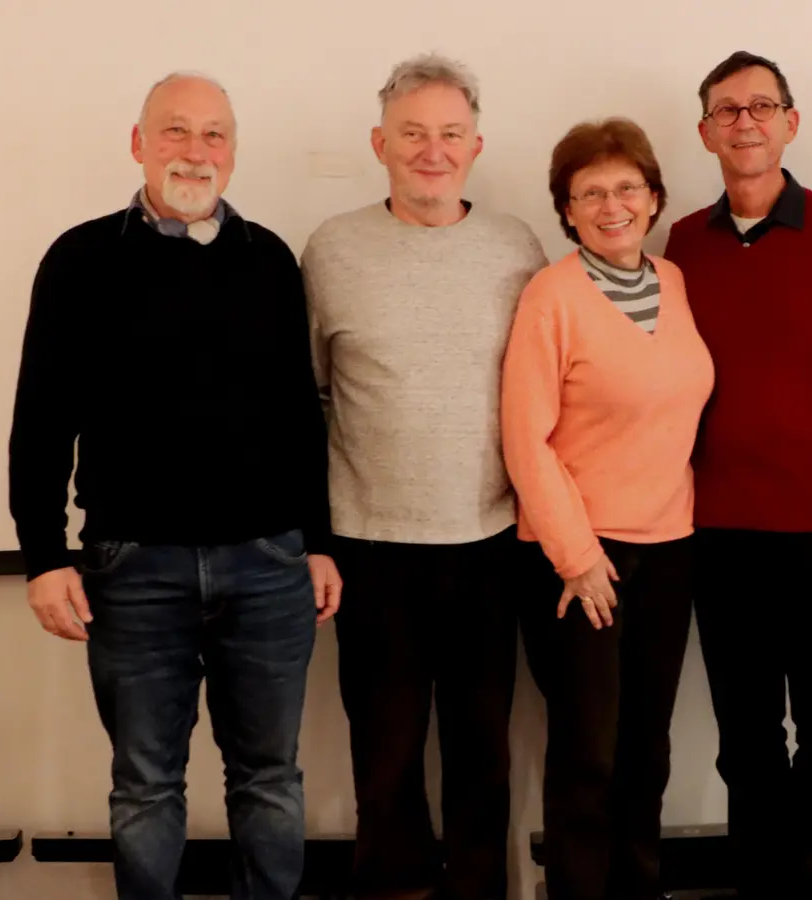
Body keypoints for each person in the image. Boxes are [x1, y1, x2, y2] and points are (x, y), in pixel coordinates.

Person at [8, 72, 339, 900]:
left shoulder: (269, 259)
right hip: (133, 569)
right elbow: (41, 417)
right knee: (146, 784)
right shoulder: (81, 259)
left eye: (214, 134)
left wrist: (320, 541)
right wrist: (43, 557)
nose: (196, 150)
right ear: (139, 143)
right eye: (176, 131)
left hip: (268, 564)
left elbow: (300, 415)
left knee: (269, 775)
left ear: (234, 151)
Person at [300, 53, 547, 900]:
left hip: (491, 544)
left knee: (483, 755)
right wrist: (314, 538)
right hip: (371, 548)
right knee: (386, 759)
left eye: (449, 134)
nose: (431, 151)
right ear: (381, 144)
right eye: (412, 134)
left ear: (476, 146)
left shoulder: (517, 247)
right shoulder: (332, 249)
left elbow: (546, 390)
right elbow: (308, 399)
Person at [663, 50, 812, 900]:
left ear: (790, 123)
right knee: (745, 735)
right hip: (721, 532)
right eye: (727, 110)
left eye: (762, 106)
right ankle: (762, 885)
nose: (745, 122)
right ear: (705, 133)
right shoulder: (682, 245)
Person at [501, 117, 714, 900]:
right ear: (567, 210)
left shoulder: (676, 282)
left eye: (627, 188)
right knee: (588, 755)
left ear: (654, 198)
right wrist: (578, 557)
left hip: (671, 549)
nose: (611, 205)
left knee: (647, 751)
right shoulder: (551, 296)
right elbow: (525, 438)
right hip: (579, 560)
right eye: (589, 193)